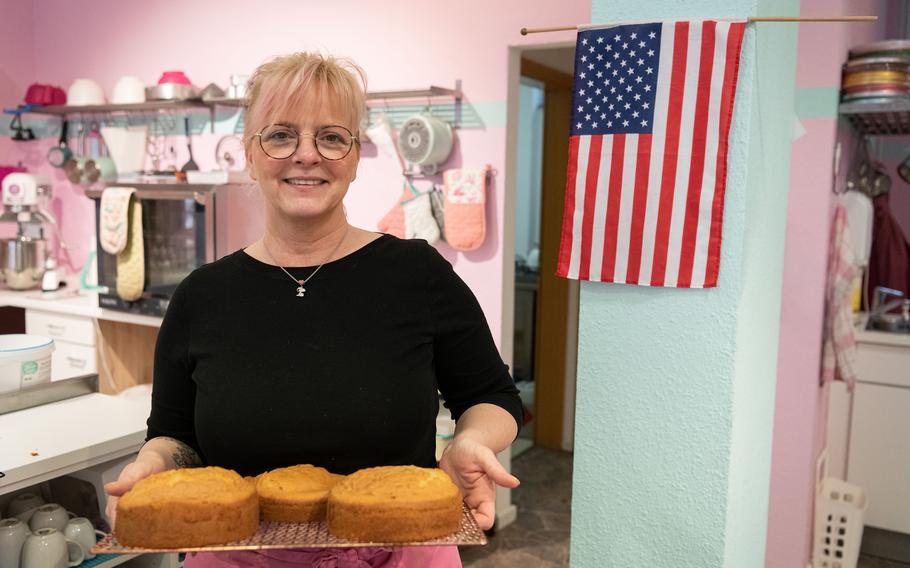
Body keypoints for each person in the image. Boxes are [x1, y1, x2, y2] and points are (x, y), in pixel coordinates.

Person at [103, 52, 523, 567]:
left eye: (331, 136)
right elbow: (177, 436)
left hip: (401, 550)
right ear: (249, 155)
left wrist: (471, 441)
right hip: (235, 556)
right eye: (280, 135)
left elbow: (491, 395)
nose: (307, 154)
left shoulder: (417, 274)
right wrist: (154, 462)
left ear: (353, 156)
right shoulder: (201, 296)